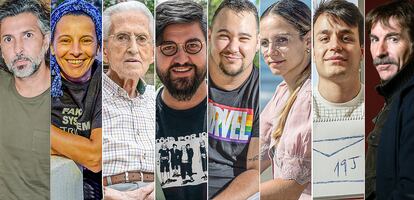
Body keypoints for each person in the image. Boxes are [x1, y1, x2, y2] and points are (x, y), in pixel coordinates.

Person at [101, 1, 155, 200]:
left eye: (142, 39)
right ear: (105, 51)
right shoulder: (88, 97)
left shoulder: (160, 101)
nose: (133, 48)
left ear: (152, 53)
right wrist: (106, 194)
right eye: (122, 37)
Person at [50, 0, 102, 199]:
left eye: (86, 40)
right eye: (65, 40)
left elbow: (95, 157)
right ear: (52, 47)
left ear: (98, 46)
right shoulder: (39, 81)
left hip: (93, 186)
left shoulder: (103, 84)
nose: (76, 51)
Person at [259, 0, 311, 199]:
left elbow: (290, 188)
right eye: (264, 42)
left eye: (281, 40)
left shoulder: (307, 98)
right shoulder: (283, 91)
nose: (270, 51)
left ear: (307, 41)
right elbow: (255, 156)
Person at [155, 0, 208, 199]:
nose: (182, 59)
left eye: (192, 46)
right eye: (168, 47)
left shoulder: (234, 109)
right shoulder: (140, 118)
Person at [208, 0, 260, 199]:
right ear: (210, 34)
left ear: (257, 43)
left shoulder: (262, 94)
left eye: (244, 38)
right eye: (224, 36)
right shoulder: (190, 79)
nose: (233, 47)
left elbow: (255, 172)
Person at [0, 0, 50, 199]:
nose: (18, 49)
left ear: (45, 41)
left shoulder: (67, 100)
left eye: (27, 36)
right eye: (8, 39)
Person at [366, 1, 414, 199]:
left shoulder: (410, 99)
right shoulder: (397, 97)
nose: (380, 51)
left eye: (393, 39)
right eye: (374, 40)